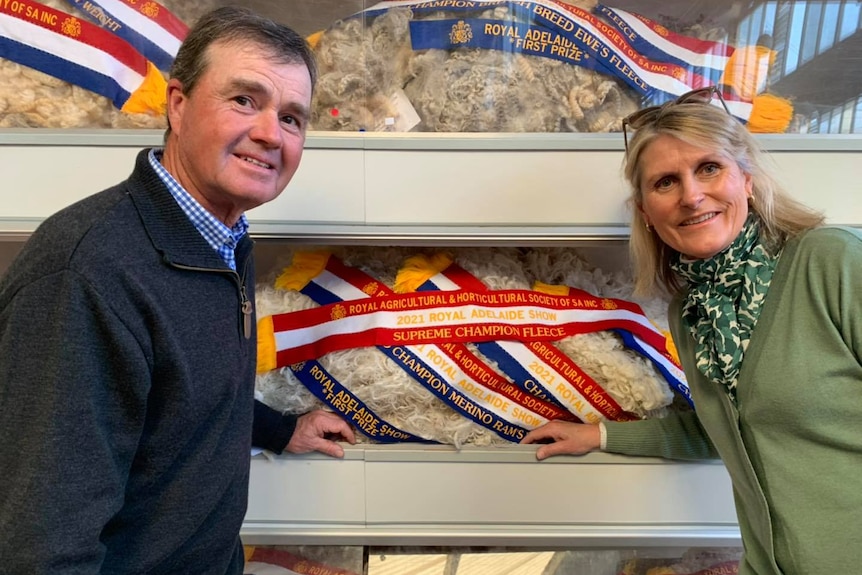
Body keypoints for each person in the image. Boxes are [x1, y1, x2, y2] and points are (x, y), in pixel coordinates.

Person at [0, 6, 355, 574]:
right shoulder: (86, 276)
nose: (270, 133)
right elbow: (43, 546)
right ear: (178, 104)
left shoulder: (221, 237)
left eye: (292, 117)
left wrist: (280, 429)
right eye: (244, 99)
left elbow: (180, 388)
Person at [522, 87, 862, 574]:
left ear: (745, 178)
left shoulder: (831, 261)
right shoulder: (691, 312)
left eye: (709, 168)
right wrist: (600, 436)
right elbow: (729, 428)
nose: (691, 195)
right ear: (646, 212)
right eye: (665, 182)